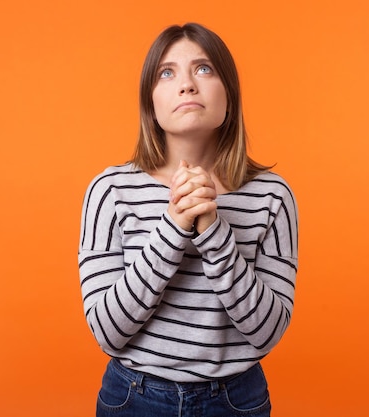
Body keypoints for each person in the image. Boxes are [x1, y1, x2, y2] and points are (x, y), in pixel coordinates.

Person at [78, 22, 298, 417]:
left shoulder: (273, 195)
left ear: (229, 95)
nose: (186, 84)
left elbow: (266, 333)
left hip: (236, 401)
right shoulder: (109, 190)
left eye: (204, 68)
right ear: (151, 102)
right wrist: (173, 227)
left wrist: (213, 231)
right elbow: (107, 332)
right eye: (167, 72)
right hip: (133, 397)